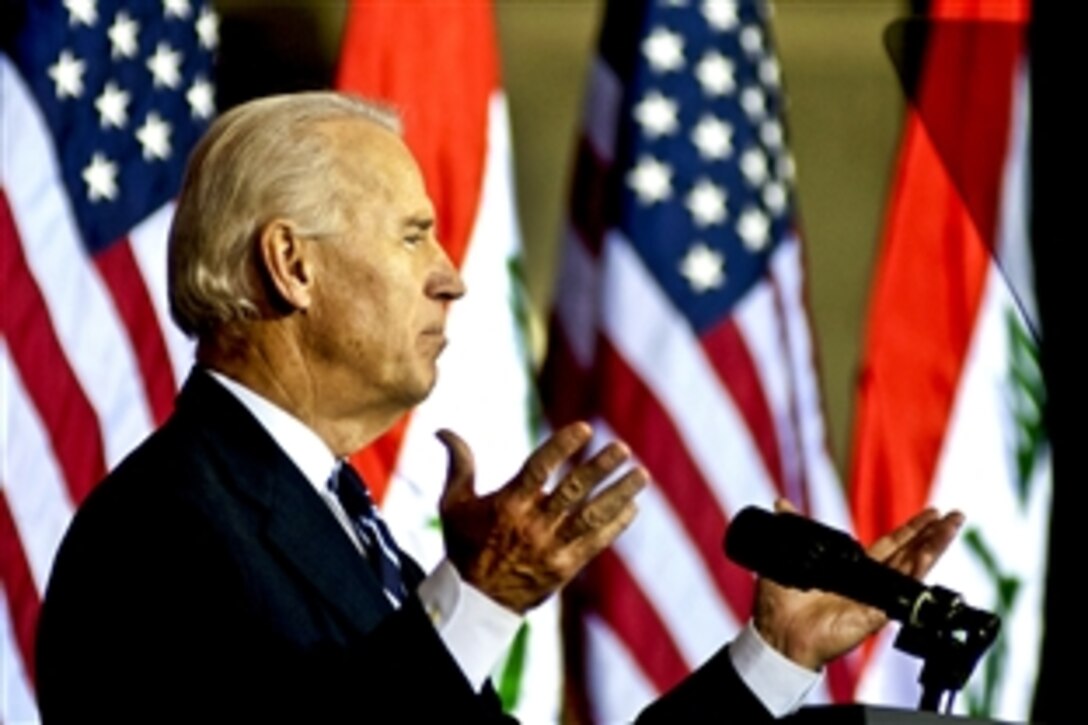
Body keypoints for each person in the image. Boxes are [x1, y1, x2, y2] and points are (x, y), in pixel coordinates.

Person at [35, 92, 963, 723]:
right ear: (292, 264)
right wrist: (472, 602)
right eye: (412, 235)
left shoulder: (344, 530)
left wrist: (775, 654)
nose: (453, 278)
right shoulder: (160, 531)